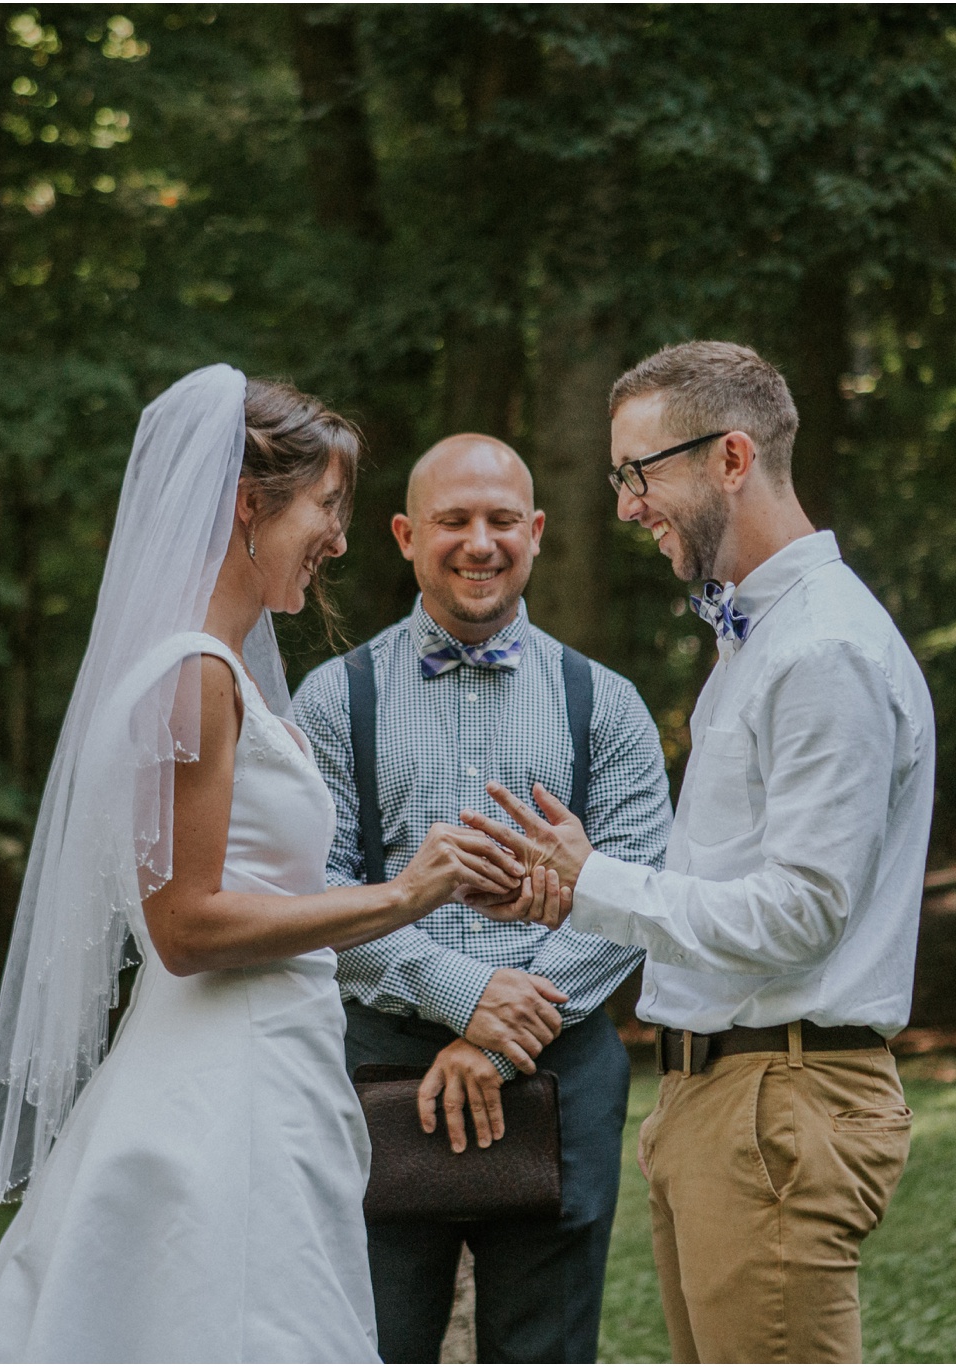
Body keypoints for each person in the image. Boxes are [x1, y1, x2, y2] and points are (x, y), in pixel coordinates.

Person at [0, 367, 525, 1363]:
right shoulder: (194, 675)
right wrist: (399, 895)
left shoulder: (220, 676)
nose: (339, 537)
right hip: (220, 1088)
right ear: (248, 506)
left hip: (272, 1064)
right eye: (327, 506)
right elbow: (186, 928)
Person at [465, 342, 937, 1364]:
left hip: (777, 1103)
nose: (626, 504)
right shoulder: (754, 642)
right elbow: (737, 889)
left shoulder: (822, 650)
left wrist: (596, 880)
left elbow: (800, 913)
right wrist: (579, 889)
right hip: (717, 1101)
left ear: (730, 456)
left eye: (640, 471)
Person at [293, 434, 672, 1363]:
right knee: (370, 1343)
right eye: (453, 520)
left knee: (544, 1348)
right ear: (404, 535)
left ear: (536, 533)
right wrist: (463, 996)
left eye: (502, 520)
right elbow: (313, 894)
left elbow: (637, 889)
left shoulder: (608, 703)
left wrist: (503, 1033)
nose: (479, 541)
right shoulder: (333, 701)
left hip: (562, 1067)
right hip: (378, 1067)